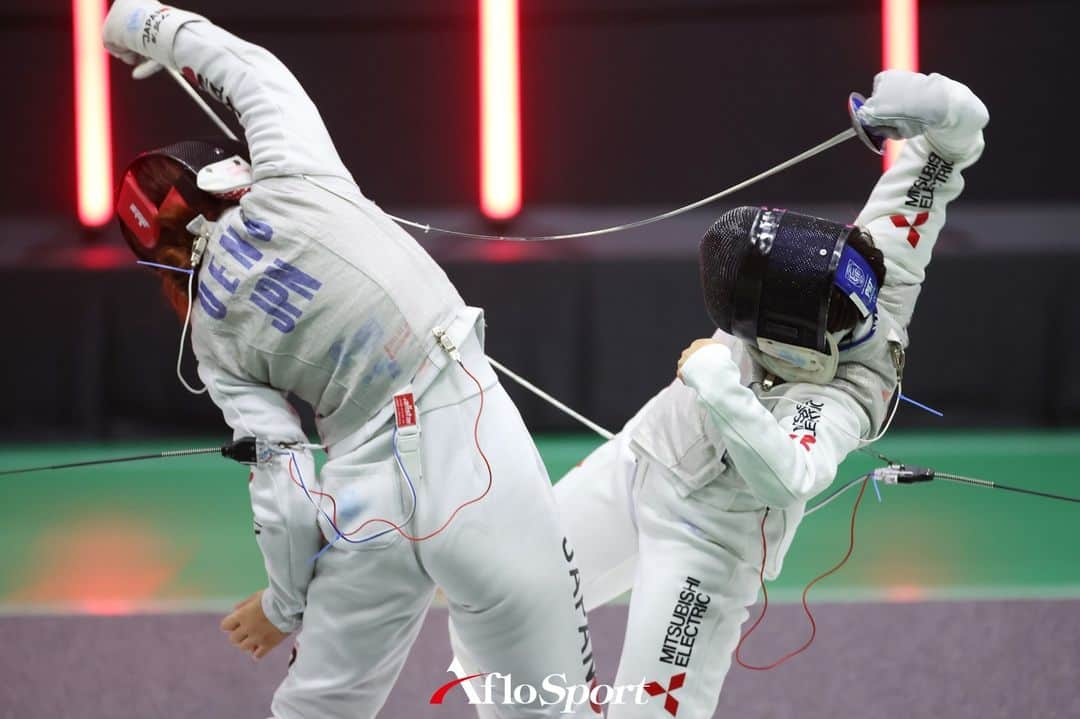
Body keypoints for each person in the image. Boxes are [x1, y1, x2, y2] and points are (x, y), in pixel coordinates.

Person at [102, 2, 598, 717]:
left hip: (367, 499)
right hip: (472, 441)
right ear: (222, 175)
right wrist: (140, 21)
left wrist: (283, 602)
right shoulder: (291, 175)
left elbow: (285, 484)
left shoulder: (210, 340)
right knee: (551, 708)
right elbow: (249, 70)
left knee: (316, 711)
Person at [452, 70, 988, 717]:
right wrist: (920, 102)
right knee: (492, 598)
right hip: (641, 463)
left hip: (707, 544)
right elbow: (960, 130)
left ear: (793, 338)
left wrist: (714, 376)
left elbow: (790, 473)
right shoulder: (884, 256)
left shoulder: (847, 394)